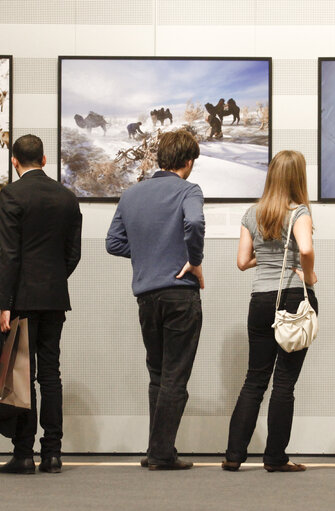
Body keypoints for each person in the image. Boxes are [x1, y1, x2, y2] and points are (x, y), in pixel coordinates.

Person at [106, 129, 205, 470]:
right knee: (176, 376)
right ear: (188, 162)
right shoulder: (189, 190)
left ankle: (156, 449)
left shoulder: (132, 194)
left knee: (158, 375)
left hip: (147, 297)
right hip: (180, 295)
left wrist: (149, 253)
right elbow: (194, 221)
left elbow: (113, 243)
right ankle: (163, 453)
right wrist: (194, 260)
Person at [223, 150, 317, 473]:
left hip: (261, 300)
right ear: (298, 177)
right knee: (284, 383)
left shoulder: (253, 213)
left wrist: (266, 259)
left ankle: (234, 455)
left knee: (254, 379)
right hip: (292, 297)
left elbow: (242, 262)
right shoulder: (300, 212)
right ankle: (275, 457)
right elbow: (305, 248)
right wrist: (310, 274)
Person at [0, 134, 82, 474]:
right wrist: (55, 279)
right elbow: (73, 253)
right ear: (44, 160)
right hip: (55, 298)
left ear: (15, 162)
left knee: (23, 377)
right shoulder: (67, 197)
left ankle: (23, 454)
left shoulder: (12, 195)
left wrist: (5, 303)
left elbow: (10, 255)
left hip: (23, 299)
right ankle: (53, 453)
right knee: (51, 375)